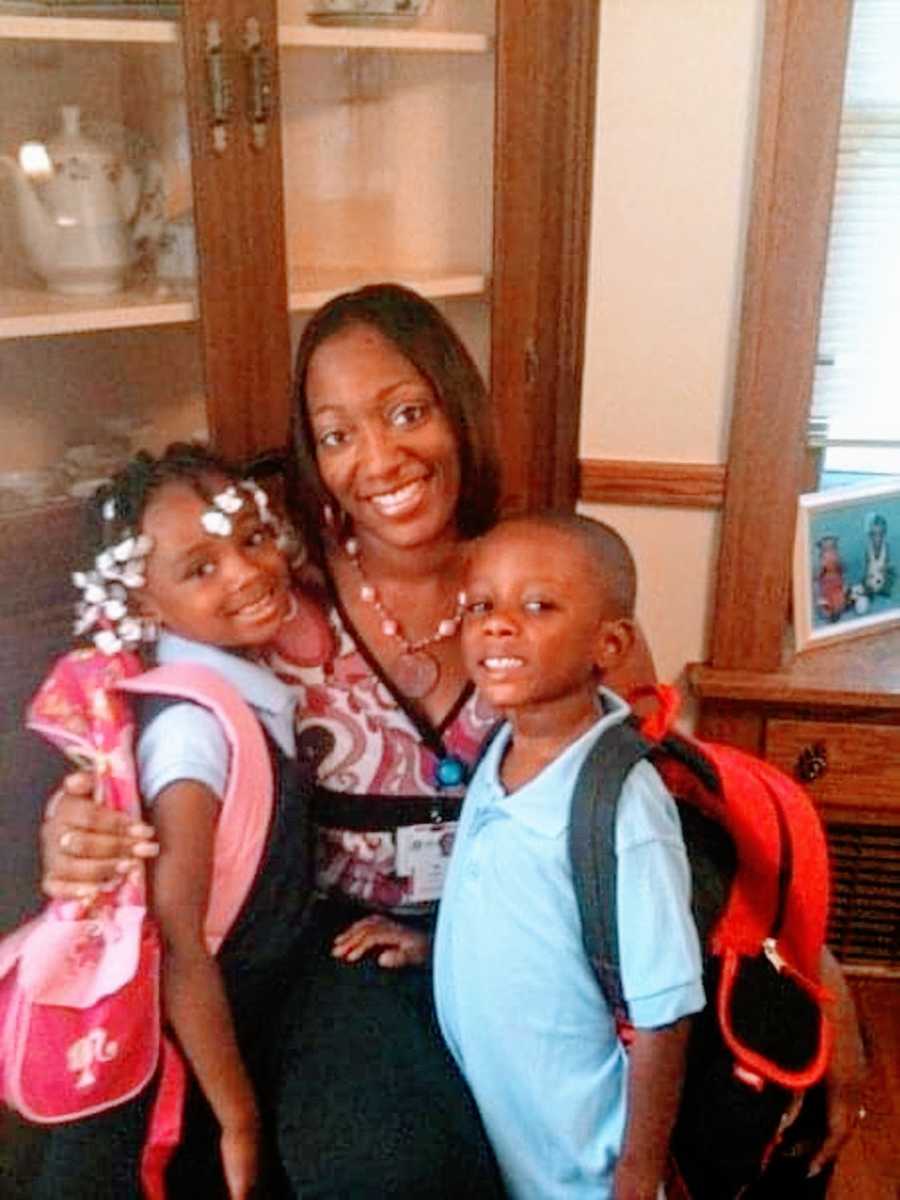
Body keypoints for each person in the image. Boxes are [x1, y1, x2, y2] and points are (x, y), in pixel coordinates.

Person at [37, 284, 864, 1195]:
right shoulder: (271, 599)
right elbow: (134, 720)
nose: (379, 458)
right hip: (355, 961)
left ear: (456, 410)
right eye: (338, 433)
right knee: (390, 1174)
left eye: (406, 411)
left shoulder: (552, 581)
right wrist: (76, 823)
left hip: (550, 942)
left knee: (747, 1104)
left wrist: (815, 966)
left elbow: (671, 802)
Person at [35, 444, 317, 1199]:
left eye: (254, 540)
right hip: (179, 1064)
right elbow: (176, 934)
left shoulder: (240, 685)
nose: (247, 572)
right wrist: (239, 1118)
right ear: (143, 605)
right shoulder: (194, 728)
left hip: (223, 1029)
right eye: (201, 568)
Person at [443, 512, 703, 1198]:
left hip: (583, 1163)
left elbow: (666, 1010)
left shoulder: (621, 804)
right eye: (480, 606)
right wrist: (426, 940)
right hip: (508, 1134)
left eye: (537, 606)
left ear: (608, 643)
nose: (497, 625)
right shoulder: (499, 750)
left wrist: (637, 1173)